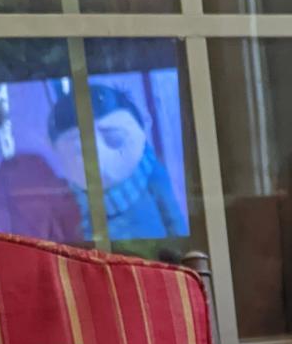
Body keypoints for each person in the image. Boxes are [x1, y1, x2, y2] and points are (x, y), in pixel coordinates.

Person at [48, 83, 188, 241]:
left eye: (115, 139)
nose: (99, 158)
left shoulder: (149, 171)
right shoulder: (68, 194)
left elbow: (174, 221)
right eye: (80, 150)